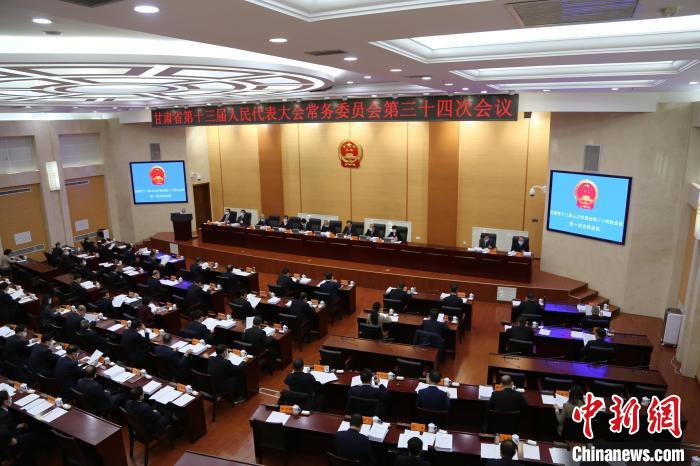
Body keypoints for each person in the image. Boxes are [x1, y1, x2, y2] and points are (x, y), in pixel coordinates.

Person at [0, 389, 38, 465]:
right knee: (36, 434)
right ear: (5, 402)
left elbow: (7, 426)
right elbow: (3, 432)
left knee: (25, 426)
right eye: (9, 397)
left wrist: (19, 425)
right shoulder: (5, 415)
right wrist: (12, 440)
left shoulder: (3, 412)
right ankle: (28, 459)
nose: (11, 398)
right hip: (10, 443)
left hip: (9, 435)